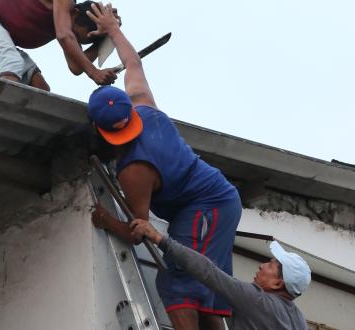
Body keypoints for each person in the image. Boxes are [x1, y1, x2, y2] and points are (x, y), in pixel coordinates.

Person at [85, 4, 241, 329]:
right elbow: (132, 62)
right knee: (205, 285)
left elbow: (138, 231)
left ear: (101, 131)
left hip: (206, 207)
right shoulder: (143, 105)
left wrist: (104, 220)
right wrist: (112, 29)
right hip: (213, 203)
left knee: (178, 283)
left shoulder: (134, 170)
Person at [130, 219, 312, 330]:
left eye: (270, 266)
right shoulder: (299, 321)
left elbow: (208, 272)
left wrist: (159, 239)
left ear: (277, 284)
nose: (262, 266)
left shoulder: (257, 301)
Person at [0, 0, 118, 91]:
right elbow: (64, 36)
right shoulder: (65, 7)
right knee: (11, 66)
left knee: (40, 88)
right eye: (74, 36)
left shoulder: (63, 24)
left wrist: (110, 33)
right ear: (74, 13)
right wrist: (94, 72)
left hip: (1, 36)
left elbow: (76, 66)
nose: (72, 40)